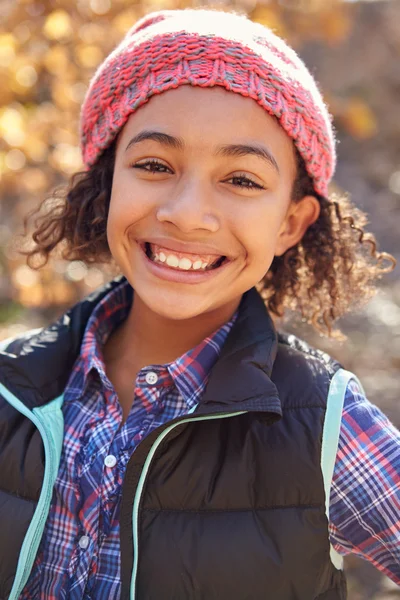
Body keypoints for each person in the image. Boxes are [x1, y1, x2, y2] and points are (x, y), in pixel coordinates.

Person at [0, 7, 398, 600]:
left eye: (241, 180)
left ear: (291, 222)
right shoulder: (12, 389)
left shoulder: (326, 425)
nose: (186, 212)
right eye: (154, 166)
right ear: (109, 186)